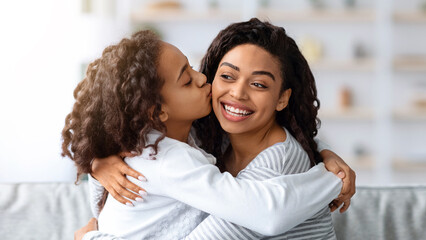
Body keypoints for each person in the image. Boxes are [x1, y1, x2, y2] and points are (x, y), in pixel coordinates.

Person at [67, 22, 353, 240]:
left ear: (282, 97)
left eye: (259, 84)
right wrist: (99, 163)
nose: (203, 77)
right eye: (226, 76)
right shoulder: (188, 141)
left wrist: (327, 168)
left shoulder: (275, 160)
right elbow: (112, 198)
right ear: (157, 112)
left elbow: (267, 213)